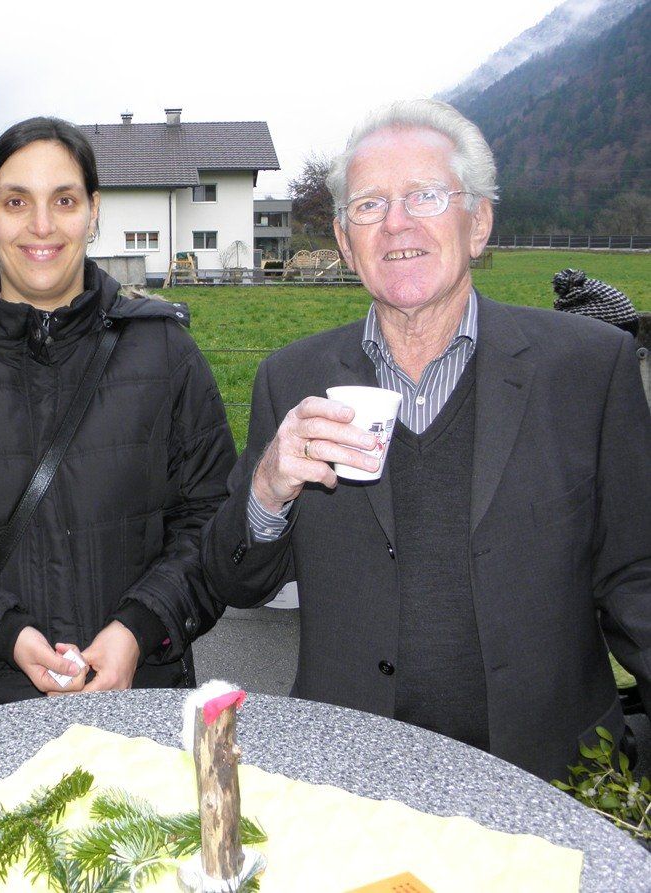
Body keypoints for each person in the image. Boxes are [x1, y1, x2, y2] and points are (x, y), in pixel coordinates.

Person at [200, 99, 650, 782]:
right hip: (351, 773)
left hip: (548, 773)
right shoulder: (291, 379)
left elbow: (636, 578)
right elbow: (237, 579)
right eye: (369, 205)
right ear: (346, 242)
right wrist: (267, 491)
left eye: (425, 196)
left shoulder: (587, 369)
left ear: (479, 223)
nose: (396, 223)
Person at [0, 117, 235, 710]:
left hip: (142, 701)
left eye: (64, 200)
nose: (42, 226)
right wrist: (0, 631)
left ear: (93, 211)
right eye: (16, 202)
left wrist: (139, 627)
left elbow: (212, 522)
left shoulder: (165, 353)